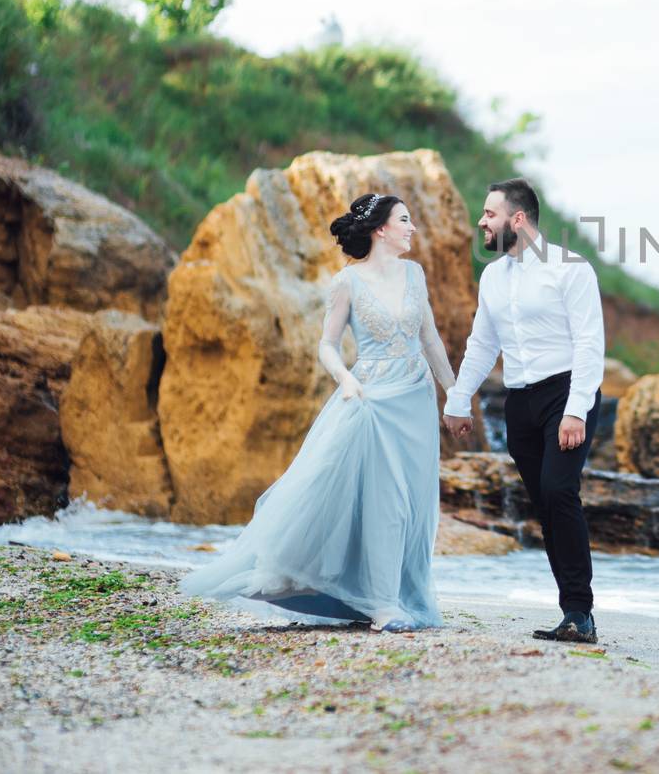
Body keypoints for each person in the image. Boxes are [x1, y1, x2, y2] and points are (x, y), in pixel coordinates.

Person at [179, 193, 458, 633]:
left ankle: (402, 595)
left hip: (416, 400)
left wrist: (454, 395)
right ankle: (382, 605)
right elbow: (326, 344)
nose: (413, 228)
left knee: (414, 505)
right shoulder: (347, 282)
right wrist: (346, 380)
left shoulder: (415, 274)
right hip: (369, 399)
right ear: (381, 229)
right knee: (385, 504)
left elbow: (430, 340)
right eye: (405, 220)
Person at [442, 177, 606, 644]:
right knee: (545, 505)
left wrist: (576, 410)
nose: (482, 222)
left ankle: (580, 611)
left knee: (559, 492)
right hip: (520, 402)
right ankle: (572, 613)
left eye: (489, 214)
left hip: (565, 394)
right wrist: (458, 398)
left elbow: (591, 344)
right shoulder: (492, 277)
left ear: (518, 219)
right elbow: (482, 344)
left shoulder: (571, 269)